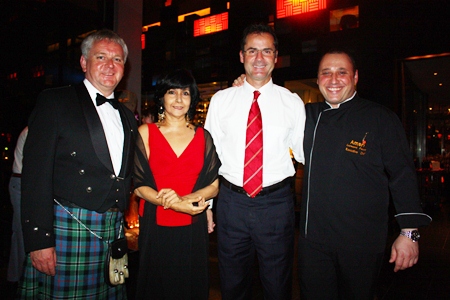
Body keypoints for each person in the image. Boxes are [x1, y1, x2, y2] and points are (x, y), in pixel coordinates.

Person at [297, 49, 432, 299]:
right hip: (313, 242)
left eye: (342, 72)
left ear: (356, 77)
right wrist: (244, 84)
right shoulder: (306, 115)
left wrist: (409, 232)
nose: (333, 79)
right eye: (326, 73)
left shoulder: (380, 118)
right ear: (317, 79)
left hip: (361, 243)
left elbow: (402, 174)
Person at [19, 29, 137, 299]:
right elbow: (35, 176)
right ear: (84, 62)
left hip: (112, 232)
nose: (110, 65)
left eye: (117, 59)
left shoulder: (128, 117)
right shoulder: (55, 102)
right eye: (101, 57)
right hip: (68, 230)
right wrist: (39, 241)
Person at [204, 23, 306, 300]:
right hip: (231, 203)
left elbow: (304, 153)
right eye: (252, 51)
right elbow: (209, 158)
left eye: (266, 51)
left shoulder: (292, 103)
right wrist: (208, 206)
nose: (259, 58)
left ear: (276, 57)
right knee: (232, 284)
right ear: (241, 56)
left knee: (277, 285)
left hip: (276, 204)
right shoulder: (221, 100)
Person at [133, 68, 221, 300]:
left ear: (192, 99)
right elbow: (139, 184)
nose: (179, 99)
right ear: (162, 96)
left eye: (185, 93)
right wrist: (170, 203)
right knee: (157, 287)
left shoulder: (203, 136)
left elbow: (213, 184)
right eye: (172, 92)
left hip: (193, 225)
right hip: (156, 224)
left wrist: (183, 201)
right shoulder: (146, 132)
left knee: (189, 286)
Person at [7, 126, 28, 284]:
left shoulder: (32, 129)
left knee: (20, 232)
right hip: (22, 182)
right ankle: (20, 278)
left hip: (20, 182)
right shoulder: (34, 130)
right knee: (23, 233)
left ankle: (15, 277)